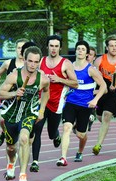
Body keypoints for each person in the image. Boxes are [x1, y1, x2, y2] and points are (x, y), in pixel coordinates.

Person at [0, 46, 50, 181]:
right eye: (30, 61)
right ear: (25, 60)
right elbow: (0, 93)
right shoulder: (14, 76)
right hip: (11, 114)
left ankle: (22, 174)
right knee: (11, 147)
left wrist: (41, 110)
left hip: (29, 113)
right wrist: (14, 93)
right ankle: (11, 162)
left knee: (24, 139)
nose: (33, 64)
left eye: (36, 61)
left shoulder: (43, 79)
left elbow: (46, 92)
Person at [30, 35, 78, 172]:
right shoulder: (41, 61)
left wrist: (59, 79)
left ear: (60, 47)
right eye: (51, 46)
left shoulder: (65, 63)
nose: (54, 49)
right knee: (37, 129)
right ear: (47, 46)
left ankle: (55, 135)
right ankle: (35, 162)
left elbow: (75, 84)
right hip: (41, 102)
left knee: (51, 133)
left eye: (56, 46)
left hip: (56, 104)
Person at [56, 40, 107, 166]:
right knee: (66, 128)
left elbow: (104, 86)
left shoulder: (91, 70)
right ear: (76, 51)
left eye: (83, 49)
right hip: (70, 103)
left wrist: (95, 100)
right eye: (78, 48)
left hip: (85, 105)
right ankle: (63, 157)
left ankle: (80, 151)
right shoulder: (69, 67)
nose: (80, 51)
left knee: (81, 134)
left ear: (87, 53)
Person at [92, 34, 116, 155]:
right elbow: (93, 78)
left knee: (106, 116)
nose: (114, 48)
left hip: (115, 91)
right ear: (107, 47)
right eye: (111, 46)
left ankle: (98, 145)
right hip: (102, 90)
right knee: (100, 117)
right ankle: (103, 128)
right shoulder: (99, 61)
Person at [0, 38, 28, 147]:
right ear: (15, 49)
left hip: (23, 99)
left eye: (23, 48)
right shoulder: (8, 63)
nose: (21, 50)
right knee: (2, 120)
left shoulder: (30, 65)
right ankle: (4, 133)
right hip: (8, 97)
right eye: (18, 48)